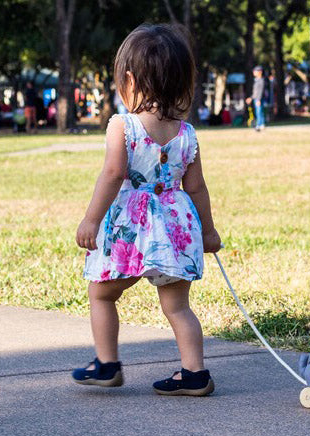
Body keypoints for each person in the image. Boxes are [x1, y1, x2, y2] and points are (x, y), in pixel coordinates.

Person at [72, 23, 221, 396]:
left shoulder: (123, 126)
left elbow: (112, 173)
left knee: (102, 294)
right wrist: (207, 231)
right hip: (175, 227)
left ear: (129, 80)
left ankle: (107, 364)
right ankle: (195, 373)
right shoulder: (186, 134)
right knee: (177, 306)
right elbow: (196, 187)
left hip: (131, 230)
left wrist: (91, 218)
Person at [246, 66, 265, 131]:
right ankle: (261, 124)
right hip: (255, 98)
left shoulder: (261, 80)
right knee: (259, 111)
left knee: (259, 111)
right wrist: (251, 98)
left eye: (255, 71)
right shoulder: (256, 80)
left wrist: (259, 99)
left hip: (258, 98)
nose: (254, 72)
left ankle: (259, 125)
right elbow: (255, 92)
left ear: (260, 72)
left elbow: (260, 91)